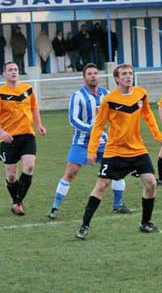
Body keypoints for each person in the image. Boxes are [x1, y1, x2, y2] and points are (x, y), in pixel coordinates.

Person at [75, 63, 162, 239]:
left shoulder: (141, 94)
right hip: (115, 151)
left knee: (151, 183)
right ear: (117, 78)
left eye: (130, 73)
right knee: (101, 185)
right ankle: (84, 225)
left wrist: (157, 134)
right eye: (124, 74)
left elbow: (148, 115)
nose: (128, 76)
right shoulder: (109, 100)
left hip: (138, 149)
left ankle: (145, 223)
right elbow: (99, 126)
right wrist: (92, 150)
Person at [47, 63, 131, 220]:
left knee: (116, 170)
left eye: (95, 73)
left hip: (104, 142)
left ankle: (118, 204)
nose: (93, 76)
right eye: (90, 73)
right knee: (71, 172)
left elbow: (116, 116)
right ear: (84, 77)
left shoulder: (107, 94)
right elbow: (73, 119)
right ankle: (55, 207)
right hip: (81, 142)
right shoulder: (77, 96)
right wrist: (91, 129)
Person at [0, 61, 47, 215]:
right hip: (9, 139)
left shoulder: (27, 89)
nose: (14, 72)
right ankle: (17, 202)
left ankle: (17, 202)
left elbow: (34, 107)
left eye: (16, 69)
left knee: (30, 167)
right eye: (10, 70)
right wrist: (1, 132)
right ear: (4, 74)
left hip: (27, 135)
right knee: (12, 175)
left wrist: (39, 124)